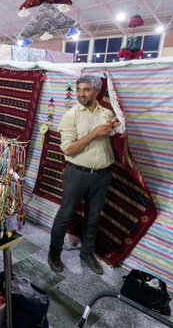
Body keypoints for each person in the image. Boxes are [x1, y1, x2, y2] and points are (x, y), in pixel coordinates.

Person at [48, 74, 120, 275]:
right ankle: (54, 253)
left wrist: (115, 128)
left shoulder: (106, 113)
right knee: (65, 215)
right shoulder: (71, 115)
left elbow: (116, 138)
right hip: (77, 174)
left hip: (102, 175)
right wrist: (95, 133)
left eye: (86, 90)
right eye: (79, 89)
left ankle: (87, 254)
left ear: (96, 91)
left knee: (93, 217)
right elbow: (68, 150)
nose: (81, 94)